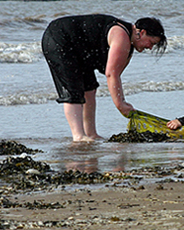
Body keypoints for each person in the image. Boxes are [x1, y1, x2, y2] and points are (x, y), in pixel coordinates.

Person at [42, 14, 167, 142]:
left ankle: (90, 133)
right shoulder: (121, 35)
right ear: (142, 32)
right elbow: (111, 74)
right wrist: (120, 104)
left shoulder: (129, 44)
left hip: (80, 49)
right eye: (151, 42)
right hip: (59, 38)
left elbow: (115, 74)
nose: (150, 47)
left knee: (89, 89)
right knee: (73, 90)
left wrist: (122, 100)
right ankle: (78, 135)